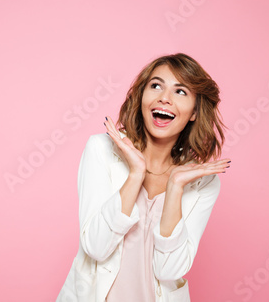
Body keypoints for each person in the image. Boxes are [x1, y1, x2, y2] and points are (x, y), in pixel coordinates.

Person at [56, 53, 231, 302]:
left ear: (194, 112)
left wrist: (175, 188)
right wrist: (136, 174)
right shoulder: (102, 150)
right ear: (142, 98)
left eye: (180, 92)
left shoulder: (202, 182)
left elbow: (169, 270)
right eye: (156, 85)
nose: (164, 98)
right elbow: (95, 247)